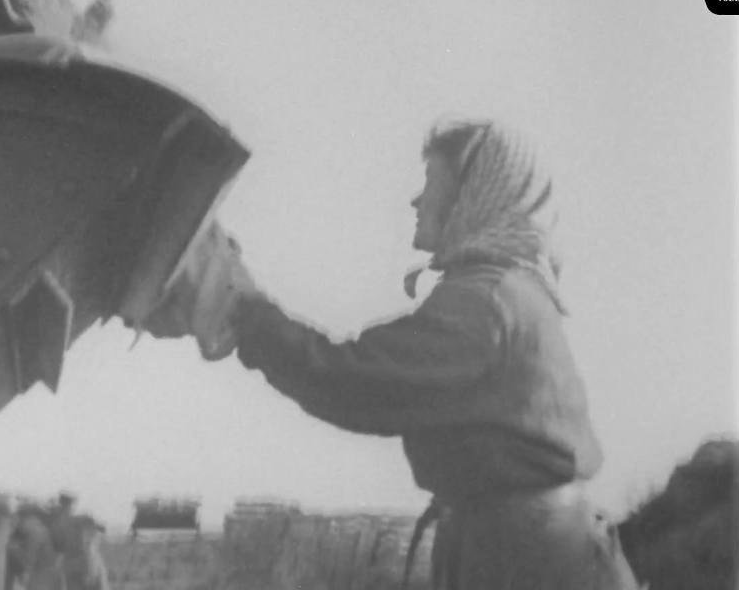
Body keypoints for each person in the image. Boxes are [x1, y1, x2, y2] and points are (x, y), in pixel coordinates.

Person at [140, 118, 644, 589]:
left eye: (432, 182)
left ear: (473, 195)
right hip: (526, 556)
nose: (416, 200)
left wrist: (245, 311)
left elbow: (352, 383)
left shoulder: (486, 302)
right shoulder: (509, 292)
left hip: (532, 566)